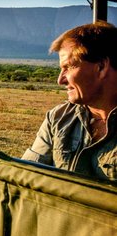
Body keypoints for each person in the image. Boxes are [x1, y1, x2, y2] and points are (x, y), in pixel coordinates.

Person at [22, 21, 117, 181]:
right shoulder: (58, 117)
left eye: (69, 67)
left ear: (101, 66)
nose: (60, 80)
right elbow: (27, 176)